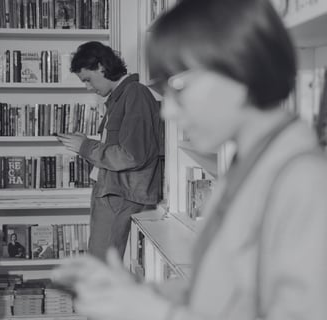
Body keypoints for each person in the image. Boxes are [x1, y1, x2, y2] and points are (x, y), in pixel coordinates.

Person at [52, 1, 327, 320]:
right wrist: (138, 291)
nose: (167, 110)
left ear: (238, 70)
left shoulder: (305, 184)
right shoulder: (248, 167)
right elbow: (226, 293)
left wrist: (156, 312)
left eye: (179, 86)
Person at [57, 41, 161, 261]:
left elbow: (132, 155)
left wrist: (85, 146)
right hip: (111, 191)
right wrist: (84, 144)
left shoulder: (135, 93)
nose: (87, 87)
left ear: (102, 67)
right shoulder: (119, 99)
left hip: (120, 194)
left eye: (87, 79)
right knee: (99, 264)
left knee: (99, 268)